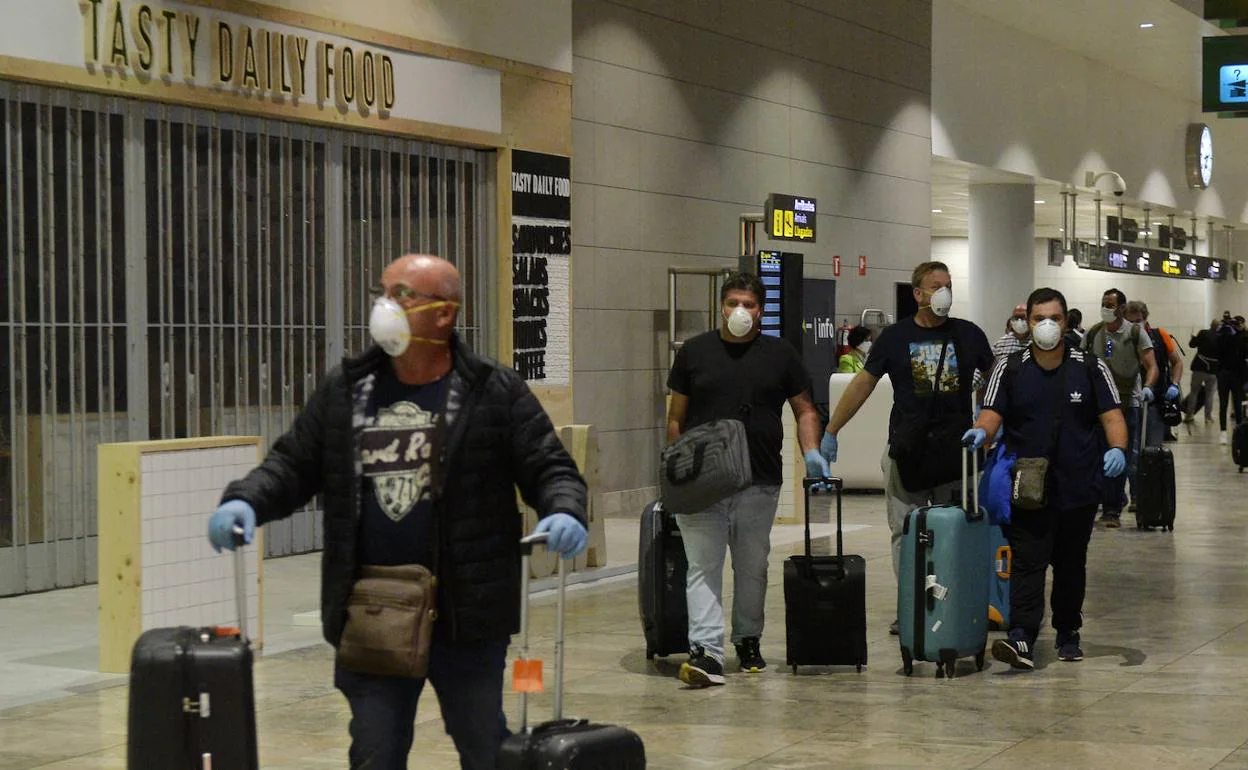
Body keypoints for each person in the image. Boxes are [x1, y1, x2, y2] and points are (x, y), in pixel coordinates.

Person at [205, 254, 589, 770]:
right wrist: (244, 499)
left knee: (484, 747)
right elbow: (293, 462)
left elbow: (550, 466)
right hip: (374, 609)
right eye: (384, 291)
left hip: (466, 611)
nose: (386, 305)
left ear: (444, 314)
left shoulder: (491, 391)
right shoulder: (349, 390)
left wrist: (565, 510)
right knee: (375, 752)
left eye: (404, 293)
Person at [665, 271, 827, 688]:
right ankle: (707, 652)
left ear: (762, 310)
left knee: (752, 565)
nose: (741, 311)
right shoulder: (694, 353)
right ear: (721, 306)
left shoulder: (780, 354)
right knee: (703, 566)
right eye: (733, 302)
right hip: (703, 484)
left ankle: (748, 638)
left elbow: (805, 408)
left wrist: (812, 452)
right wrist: (677, 474)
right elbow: (675, 419)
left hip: (760, 479)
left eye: (750, 305)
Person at [819, 261, 993, 635]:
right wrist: (831, 429)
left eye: (948, 285)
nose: (944, 292)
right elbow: (862, 384)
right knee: (907, 533)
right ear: (917, 294)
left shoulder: (969, 335)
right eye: (935, 286)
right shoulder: (895, 338)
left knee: (958, 531)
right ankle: (911, 605)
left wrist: (988, 420)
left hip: (955, 454)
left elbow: (996, 379)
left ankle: (956, 603)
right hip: (907, 451)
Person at [964, 288, 1128, 669]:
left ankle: (1068, 631)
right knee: (1027, 563)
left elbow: (1112, 416)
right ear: (1029, 322)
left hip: (1079, 484)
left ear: (1067, 321)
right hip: (1029, 484)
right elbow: (991, 412)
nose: (1046, 326)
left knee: (1071, 564)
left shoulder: (1088, 366)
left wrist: (1117, 448)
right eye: (1039, 319)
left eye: (1054, 318)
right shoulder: (1010, 367)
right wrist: (981, 432)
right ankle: (1021, 636)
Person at [1081, 288, 1158, 528]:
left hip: (1127, 403)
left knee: (1119, 456)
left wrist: (1148, 386)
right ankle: (1098, 501)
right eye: (1104, 303)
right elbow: (1080, 362)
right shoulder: (1094, 332)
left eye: (1111, 304)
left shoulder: (1135, 333)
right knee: (1093, 454)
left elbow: (1151, 364)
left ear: (1122, 308)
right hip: (1096, 403)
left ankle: (1112, 509)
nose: (1106, 308)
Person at [1122, 301, 1182, 449]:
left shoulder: (1160, 335)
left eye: (1138, 321)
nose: (1135, 325)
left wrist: (1174, 384)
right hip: (1127, 403)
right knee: (1130, 447)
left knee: (1152, 449)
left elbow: (1177, 362)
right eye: (1130, 322)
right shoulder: (1117, 339)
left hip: (1155, 402)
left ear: (1145, 319)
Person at [1217, 315, 1247, 444]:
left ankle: (1239, 431)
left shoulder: (1244, 337)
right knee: (1223, 404)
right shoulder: (1224, 336)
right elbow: (1218, 349)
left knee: (1238, 404)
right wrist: (1222, 331)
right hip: (1224, 374)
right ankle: (1223, 432)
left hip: (1237, 375)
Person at [1186, 319, 1221, 424]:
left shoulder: (1203, 333)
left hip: (1199, 368)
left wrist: (1193, 339)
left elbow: (1192, 345)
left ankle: (1189, 415)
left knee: (1194, 393)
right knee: (1209, 395)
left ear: (1210, 325)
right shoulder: (1221, 338)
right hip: (1213, 371)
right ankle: (1208, 417)